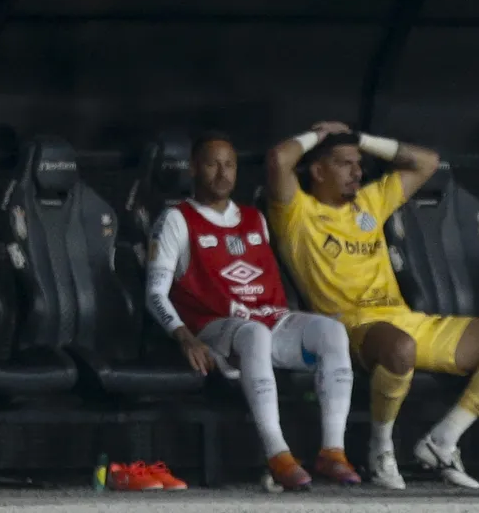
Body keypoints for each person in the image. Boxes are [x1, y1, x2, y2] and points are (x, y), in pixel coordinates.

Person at [265, 121, 479, 490]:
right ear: (317, 170)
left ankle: (442, 441)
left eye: (358, 163)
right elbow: (279, 159)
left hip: (404, 320)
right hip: (349, 329)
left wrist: (359, 139)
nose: (357, 171)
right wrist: (320, 135)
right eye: (345, 163)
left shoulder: (370, 202)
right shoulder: (298, 213)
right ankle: (381, 448)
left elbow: (427, 162)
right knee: (399, 348)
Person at [145, 130, 362, 490]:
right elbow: (155, 294)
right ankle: (277, 454)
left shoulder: (252, 218)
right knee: (254, 333)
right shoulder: (177, 219)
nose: (222, 173)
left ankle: (332, 451)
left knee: (332, 332)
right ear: (194, 169)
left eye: (229, 165)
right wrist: (184, 337)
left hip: (268, 320)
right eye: (213, 164)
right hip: (213, 327)